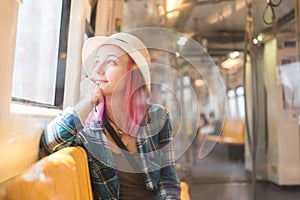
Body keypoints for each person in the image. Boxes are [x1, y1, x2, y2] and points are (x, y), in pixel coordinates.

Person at [39, 32, 181, 200]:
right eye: (97, 61)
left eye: (111, 62)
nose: (98, 70)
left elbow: (169, 181)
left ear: (132, 74)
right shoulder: (86, 127)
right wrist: (89, 101)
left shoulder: (158, 117)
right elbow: (49, 142)